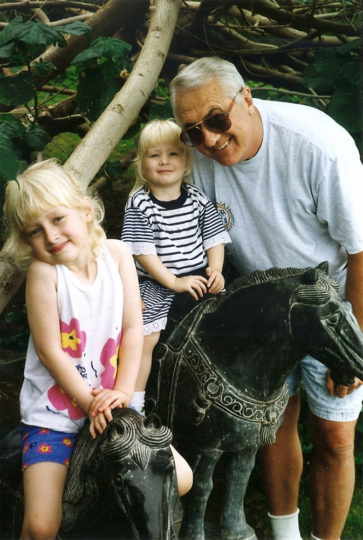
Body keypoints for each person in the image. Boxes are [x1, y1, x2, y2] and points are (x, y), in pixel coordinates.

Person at [169, 56, 363, 540]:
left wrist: (354, 346)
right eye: (193, 131)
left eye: (216, 120)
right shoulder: (195, 159)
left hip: (327, 304)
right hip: (257, 309)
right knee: (271, 429)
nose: (209, 139)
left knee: (335, 437)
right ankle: (285, 534)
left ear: (247, 99)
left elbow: (361, 252)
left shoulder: (318, 145)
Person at [1, 159, 192, 540]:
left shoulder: (118, 255)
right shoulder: (44, 273)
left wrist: (122, 394)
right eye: (34, 231)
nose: (50, 237)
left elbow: (134, 328)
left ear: (85, 211)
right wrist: (89, 403)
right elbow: (50, 350)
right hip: (55, 413)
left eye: (57, 219)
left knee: (181, 479)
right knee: (41, 526)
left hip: (116, 402)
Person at [121, 119, 231, 414]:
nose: (164, 161)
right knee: (146, 337)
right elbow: (144, 254)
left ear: (186, 163)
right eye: (154, 155)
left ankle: (221, 392)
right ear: (142, 165)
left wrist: (216, 270)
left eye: (173, 154)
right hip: (156, 282)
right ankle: (135, 402)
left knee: (228, 320)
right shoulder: (140, 203)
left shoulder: (196, 198)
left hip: (197, 276)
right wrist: (173, 282)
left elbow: (214, 237)